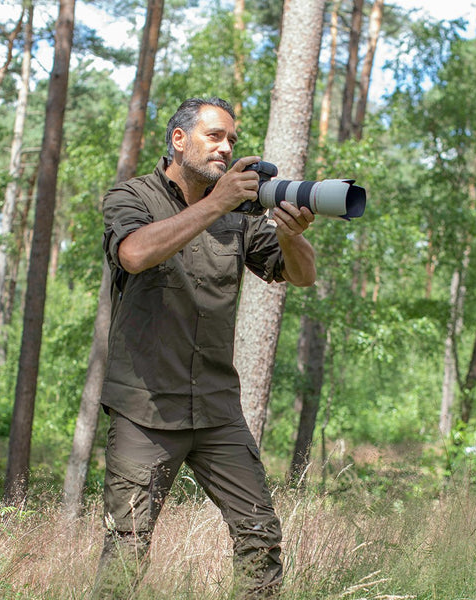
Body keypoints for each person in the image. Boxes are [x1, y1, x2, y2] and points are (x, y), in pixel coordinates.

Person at [93, 96, 317, 599]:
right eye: (215, 136)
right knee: (128, 545)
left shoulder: (241, 213)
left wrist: (292, 234)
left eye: (232, 139)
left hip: (216, 408)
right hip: (145, 409)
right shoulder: (130, 197)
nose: (226, 147)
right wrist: (215, 204)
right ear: (179, 139)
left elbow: (300, 276)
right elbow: (133, 254)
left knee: (260, 534)